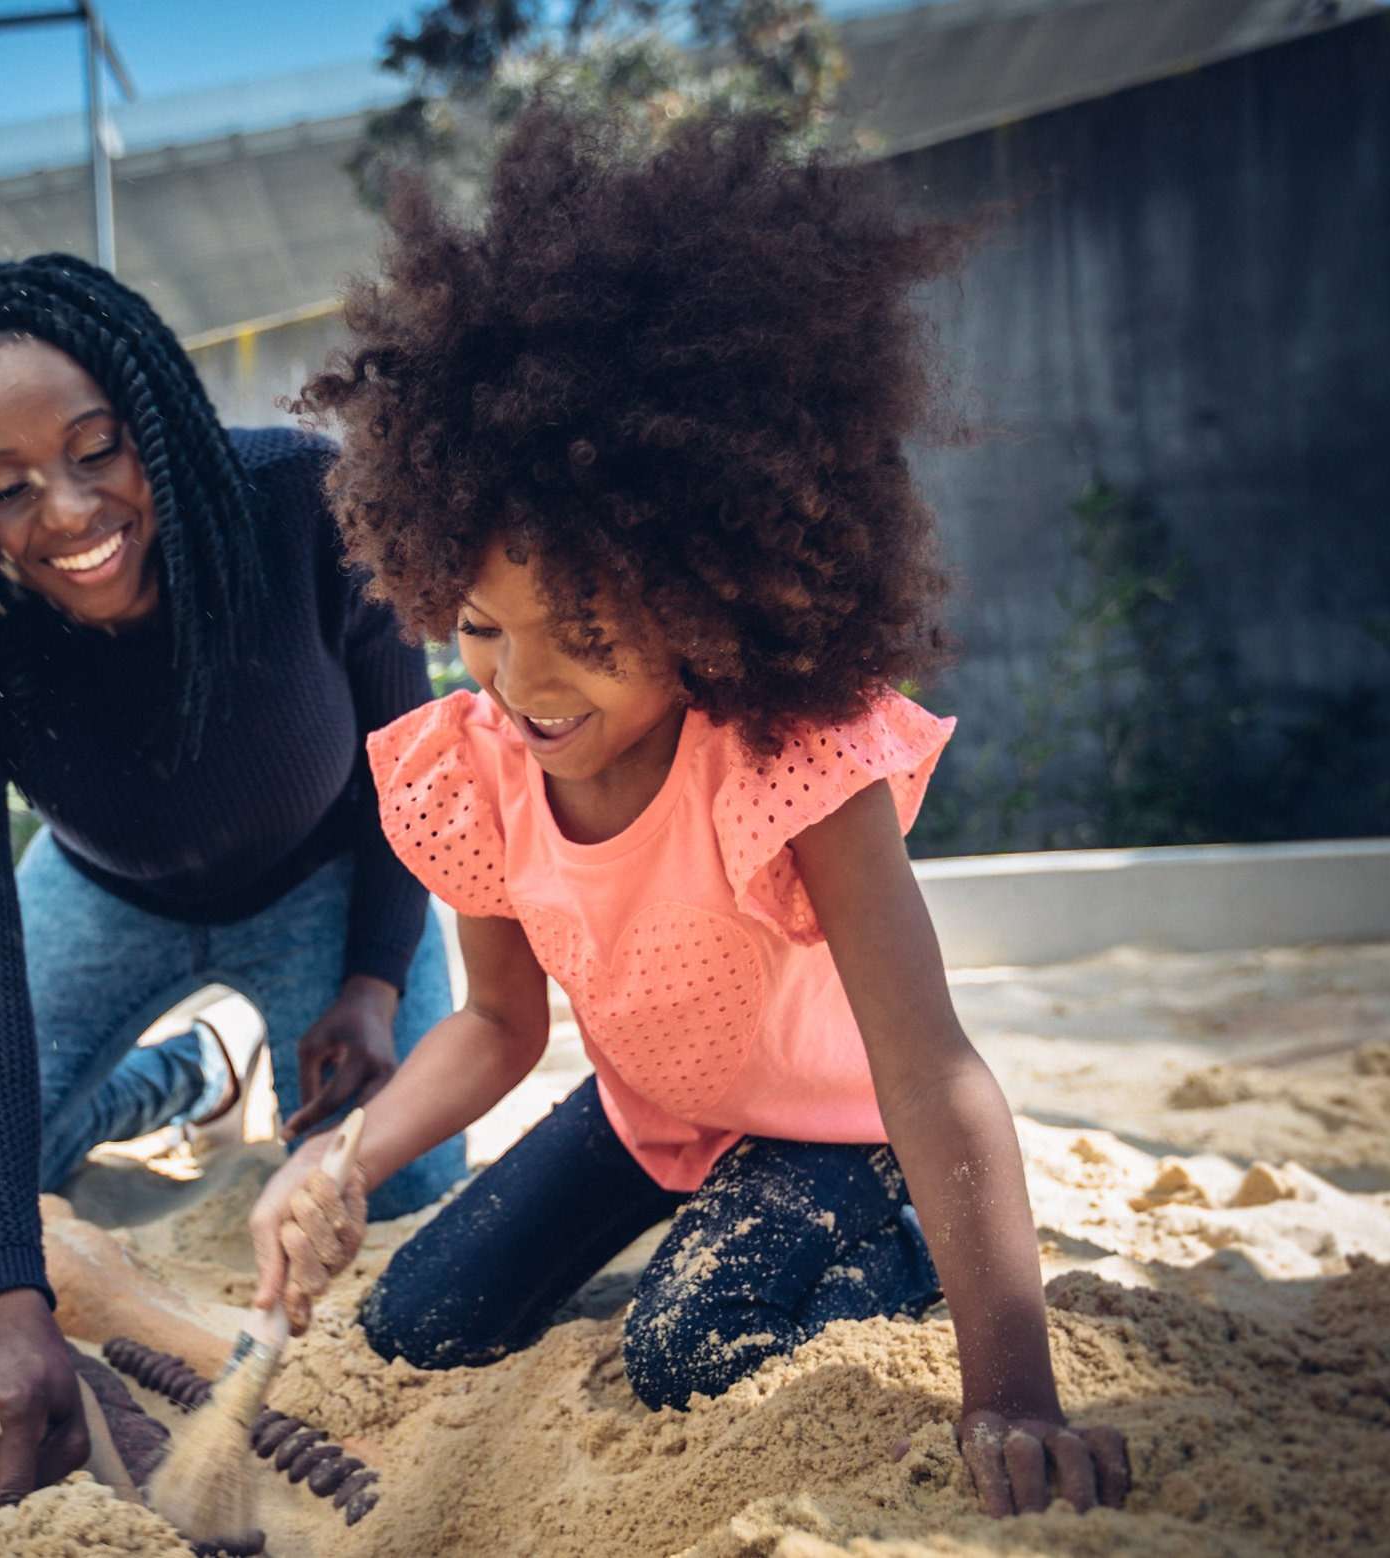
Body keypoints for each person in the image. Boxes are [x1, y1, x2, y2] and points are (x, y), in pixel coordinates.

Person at [249, 106, 1133, 1521]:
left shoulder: (791, 767)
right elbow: (495, 1023)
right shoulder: (472, 765)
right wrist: (341, 1155)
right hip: (652, 1113)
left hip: (837, 1132)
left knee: (683, 1351)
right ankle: (717, 1231)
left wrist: (1013, 1386)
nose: (523, 684)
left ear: (710, 593)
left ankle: (889, 1240)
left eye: (583, 634)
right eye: (479, 624)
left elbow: (932, 1070)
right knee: (425, 1318)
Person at [0, 254, 464, 1538]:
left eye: (95, 451)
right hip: (101, 888)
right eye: (0, 489)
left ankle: (243, 1059)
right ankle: (183, 1083)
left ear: (151, 417)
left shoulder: (300, 498)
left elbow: (414, 775)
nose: (65, 513)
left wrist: (373, 983)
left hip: (330, 881)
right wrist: (5, 1315)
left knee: (398, 1194)